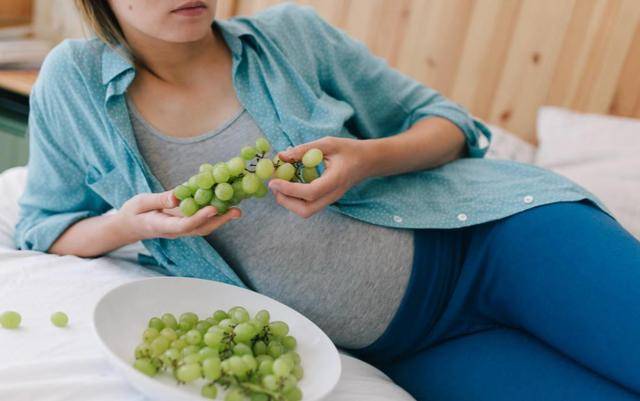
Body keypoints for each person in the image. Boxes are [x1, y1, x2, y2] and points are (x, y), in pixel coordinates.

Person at [14, 1, 640, 400]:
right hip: (414, 350)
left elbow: (448, 122)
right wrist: (125, 225)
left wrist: (368, 158)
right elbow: (45, 226)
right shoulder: (74, 83)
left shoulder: (293, 35)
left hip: (499, 241)